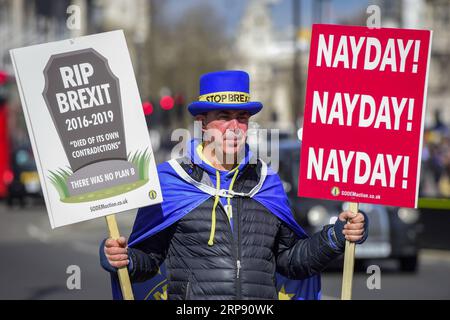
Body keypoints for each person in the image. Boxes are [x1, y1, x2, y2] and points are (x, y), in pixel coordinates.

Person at [100, 70, 368, 300]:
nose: (234, 127)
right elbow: (149, 261)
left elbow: (291, 263)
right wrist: (125, 259)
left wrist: (335, 237)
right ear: (202, 123)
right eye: (223, 115)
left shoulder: (266, 183)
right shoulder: (172, 182)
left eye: (241, 117)